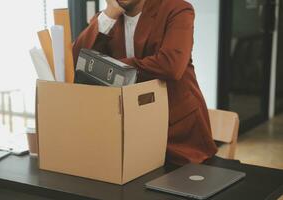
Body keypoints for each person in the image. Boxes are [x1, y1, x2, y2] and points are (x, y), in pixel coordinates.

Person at [73, 0, 218, 165]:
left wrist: (113, 67)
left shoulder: (176, 9)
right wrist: (109, 14)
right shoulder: (107, 19)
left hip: (178, 132)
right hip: (133, 131)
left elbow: (171, 65)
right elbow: (79, 62)